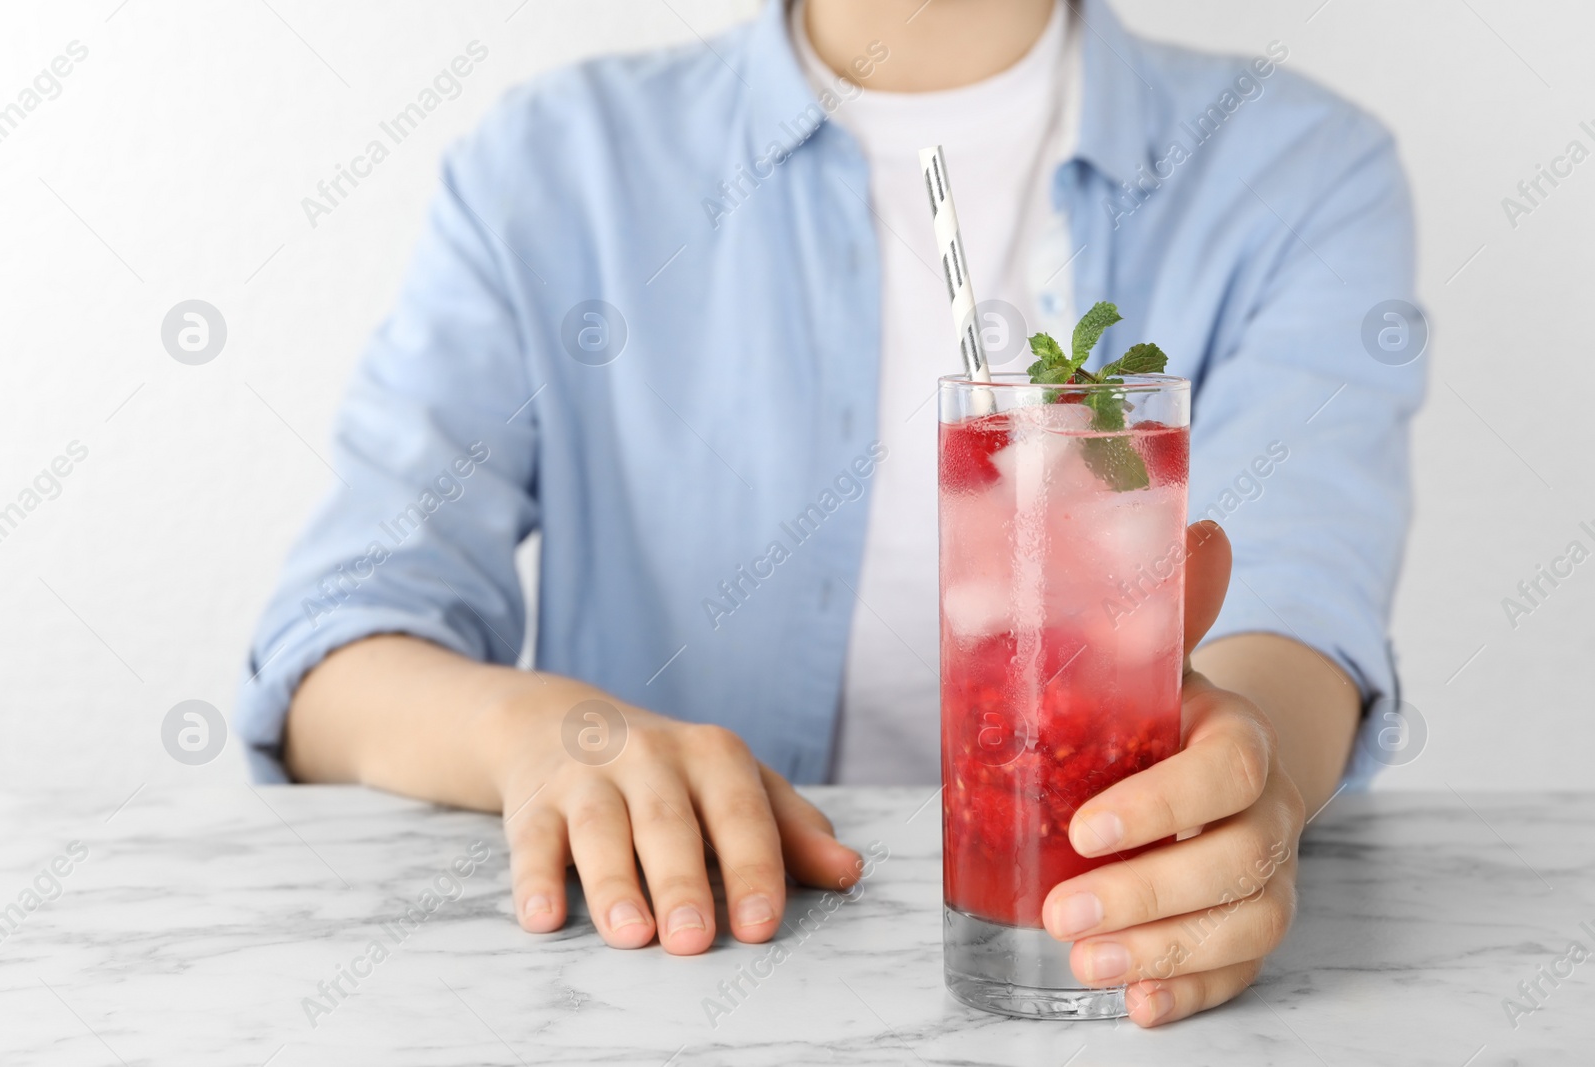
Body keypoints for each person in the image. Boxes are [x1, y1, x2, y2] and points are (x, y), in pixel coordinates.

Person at [239, 0, 1424, 1028]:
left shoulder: (1300, 169)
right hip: (658, 978)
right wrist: (547, 734)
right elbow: (332, 650)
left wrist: (1246, 776)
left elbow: (1297, 603)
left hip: (1101, 970)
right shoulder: (548, 164)